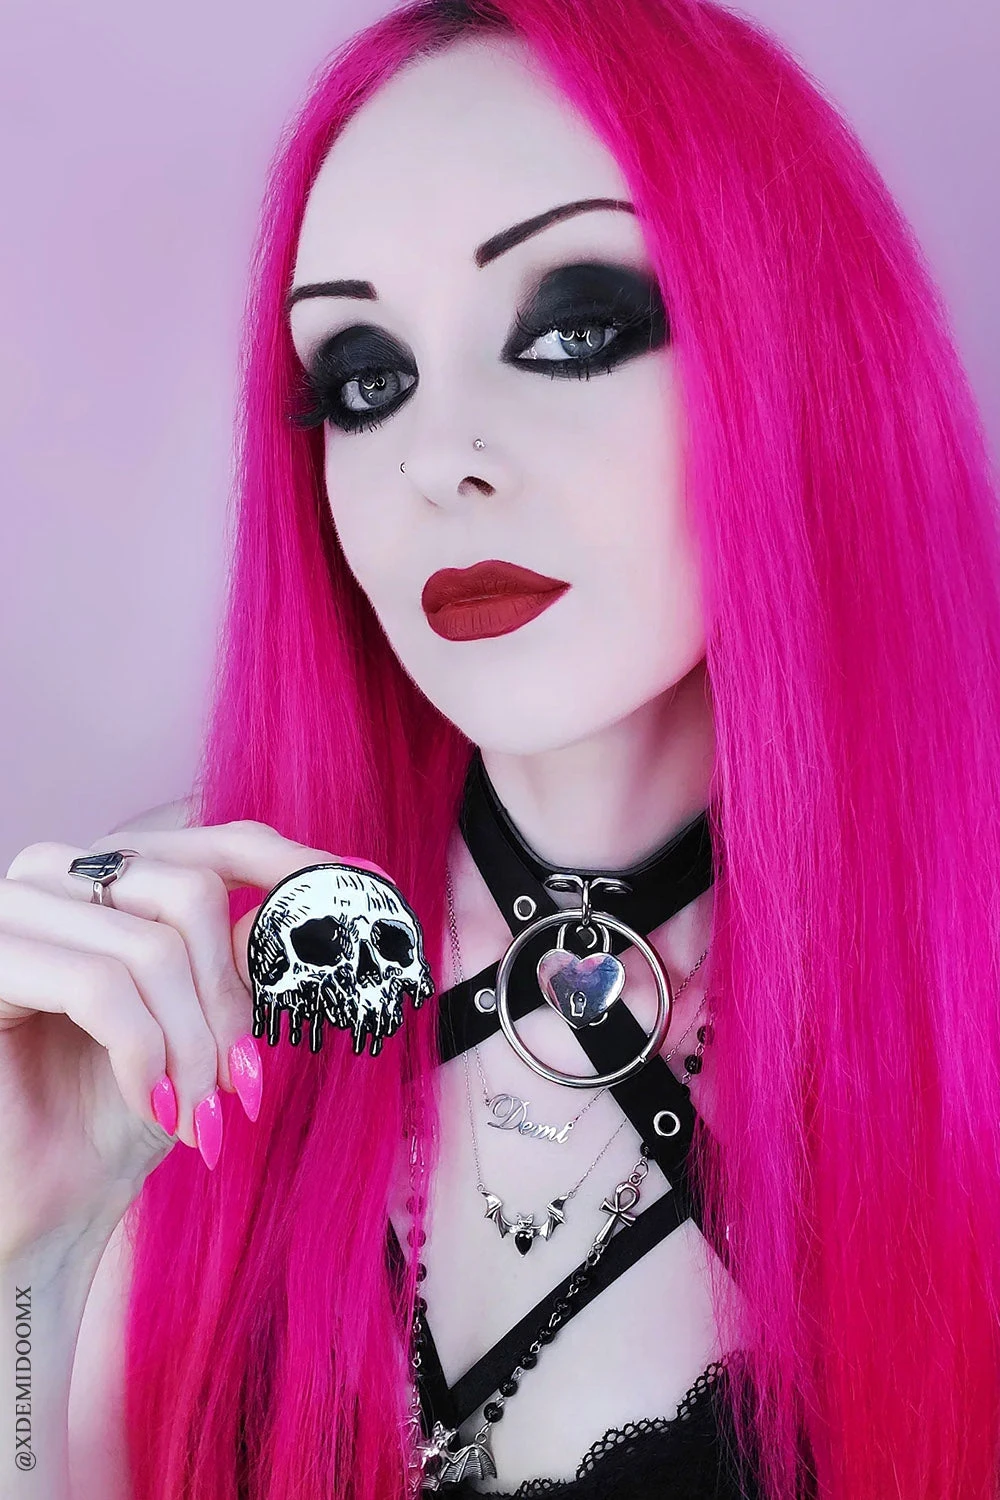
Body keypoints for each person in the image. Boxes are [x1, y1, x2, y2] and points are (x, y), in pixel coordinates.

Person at [3, 0, 1000, 1497]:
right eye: (364, 378)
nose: (435, 457)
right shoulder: (181, 983)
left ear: (798, 357)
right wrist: (31, 1255)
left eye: (575, 329)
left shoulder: (960, 992)